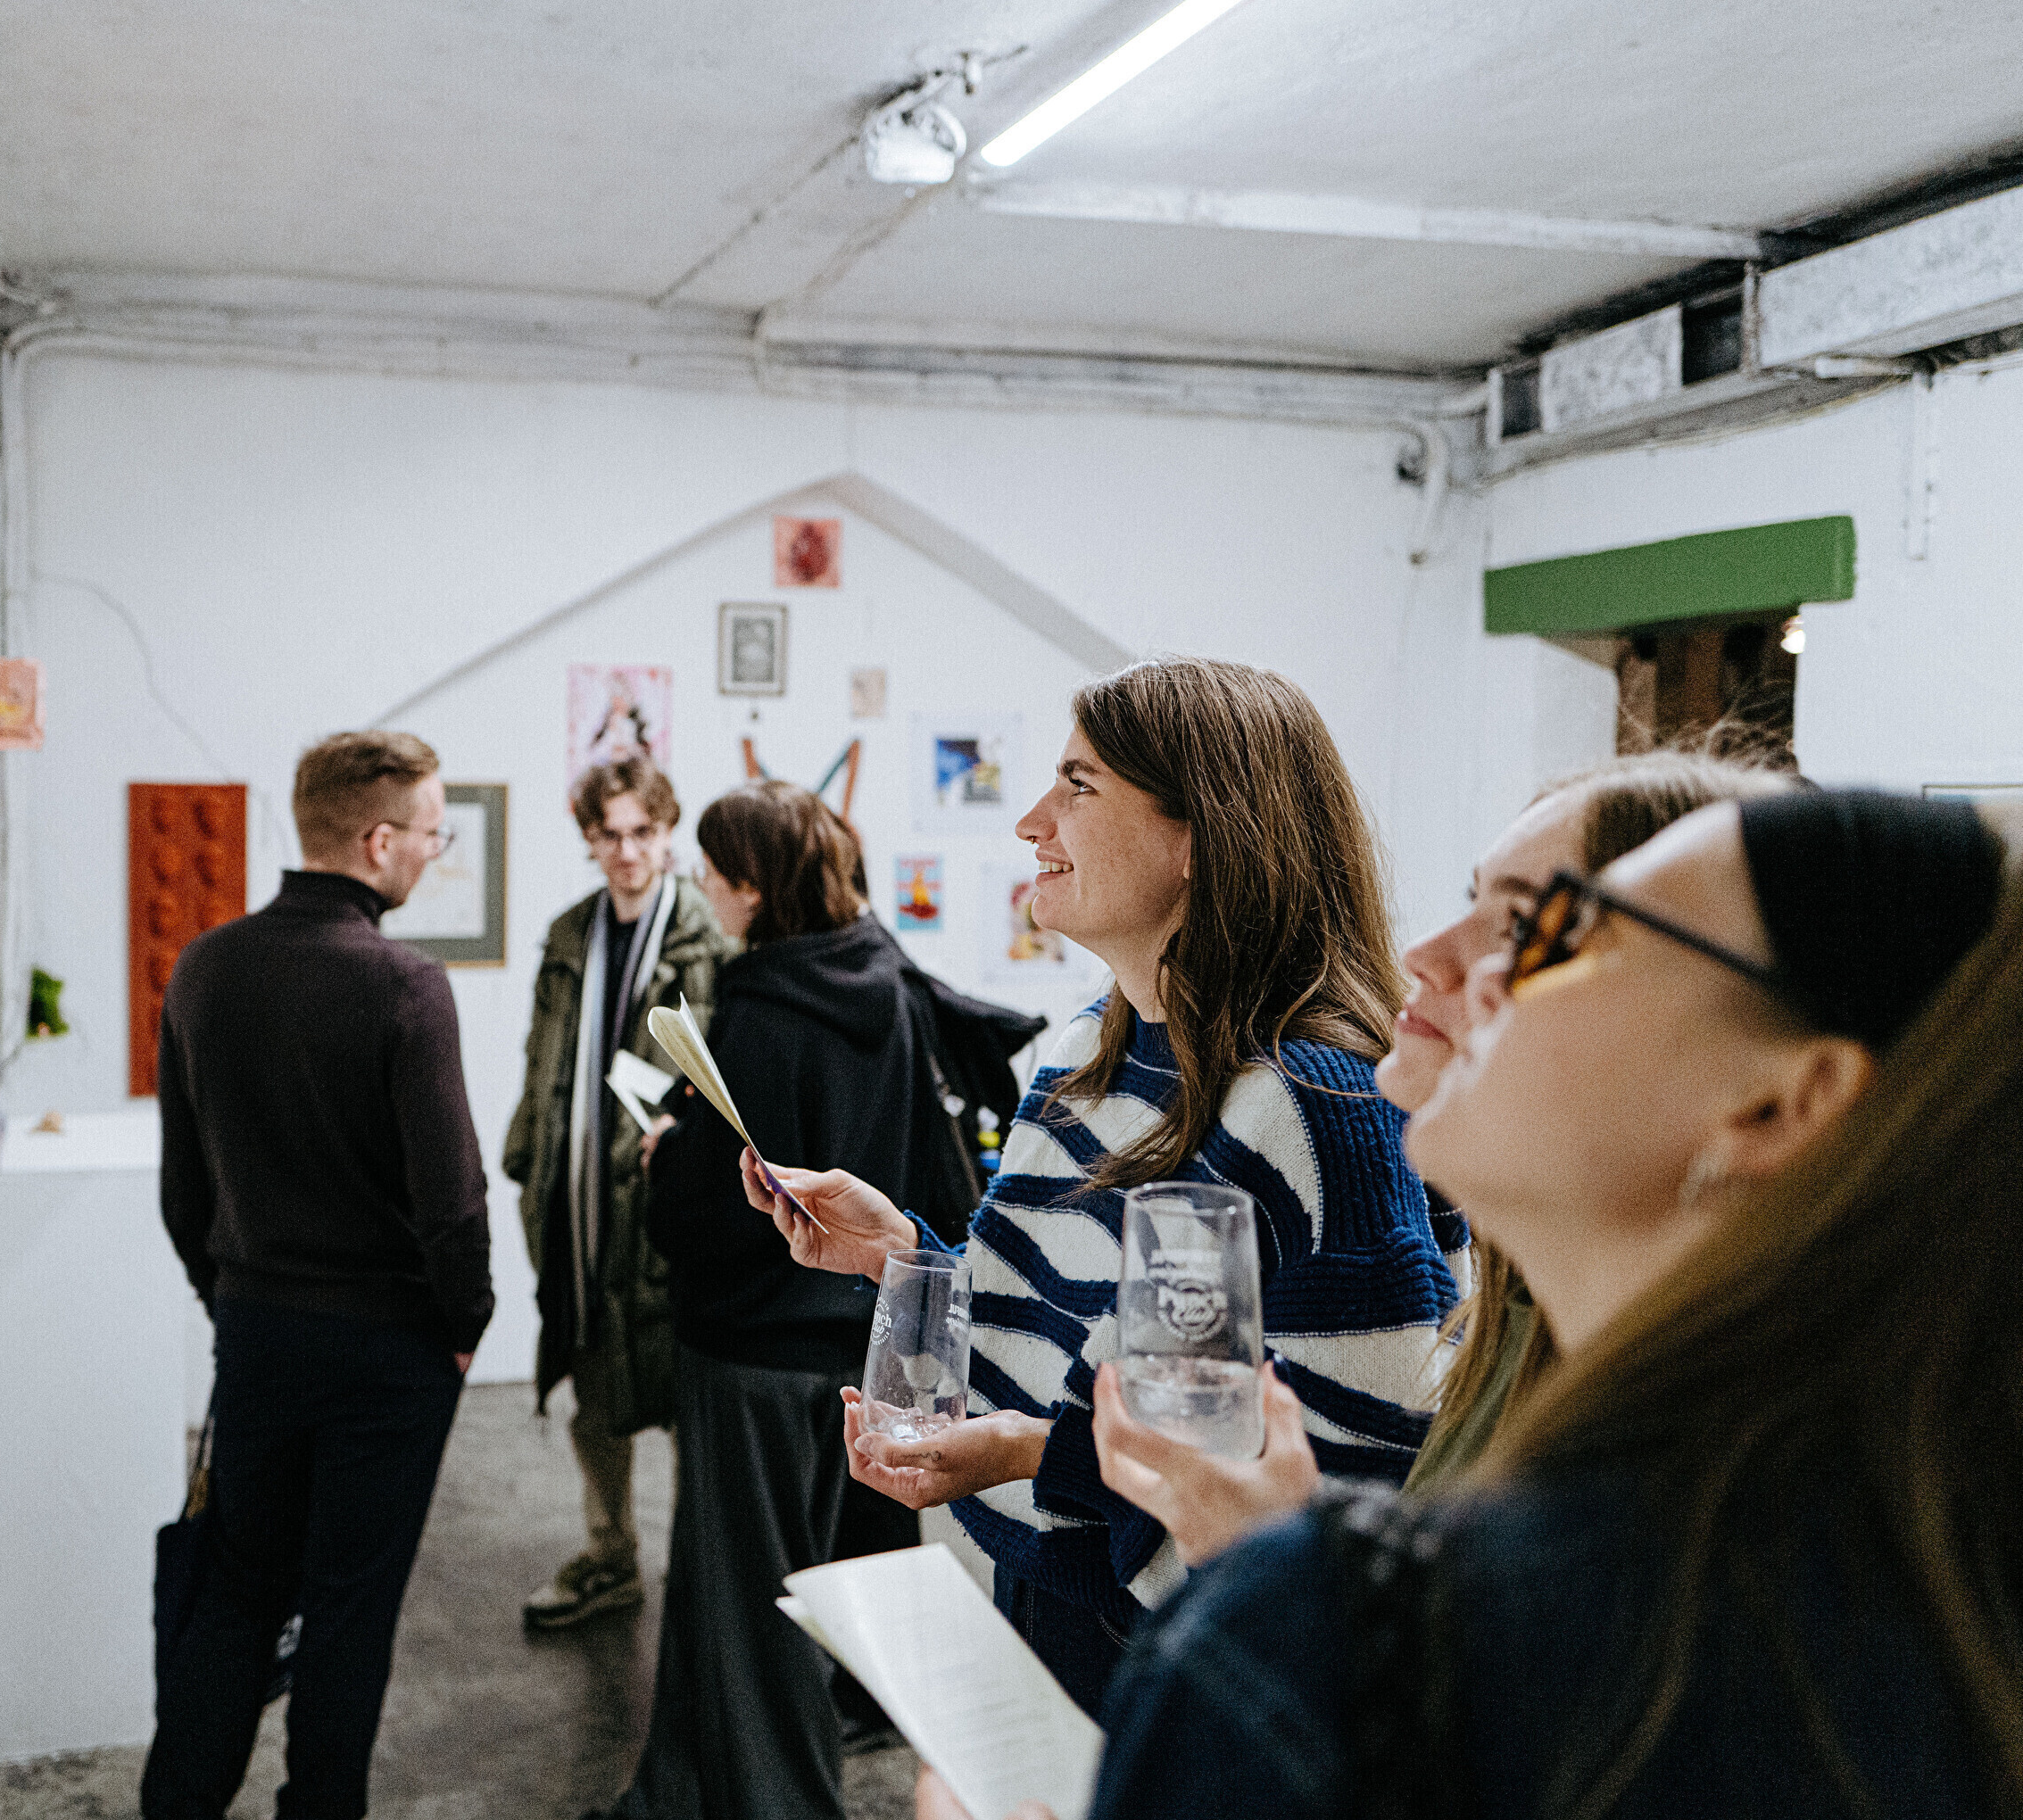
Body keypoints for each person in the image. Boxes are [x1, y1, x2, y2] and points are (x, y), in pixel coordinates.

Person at [1083, 789, 2018, 1818]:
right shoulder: (1928, 1605)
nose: (1474, 970)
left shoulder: (1334, 1641)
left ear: (1780, 1104)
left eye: (1563, 932)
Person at [747, 657, 1462, 1712]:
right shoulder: (1091, 1046)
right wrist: (903, 1251)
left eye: (1078, 786)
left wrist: (1030, 1450)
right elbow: (1091, 1324)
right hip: (1063, 1596)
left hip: (1203, 1649)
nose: (1032, 821)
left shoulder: (1318, 1100)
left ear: (1200, 835)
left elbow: (1362, 1460)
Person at [1089, 746, 1798, 1560]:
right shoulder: (1522, 1318)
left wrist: (1274, 1569)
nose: (1424, 954)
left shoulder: (1719, 1467)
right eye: (1474, 901)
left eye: (1529, 931)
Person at [143, 730, 494, 1820]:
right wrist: (466, 1321)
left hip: (256, 1331)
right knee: (350, 1607)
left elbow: (183, 1189)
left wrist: (232, 1300)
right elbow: (452, 1197)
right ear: (379, 840)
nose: (433, 851)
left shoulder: (205, 965)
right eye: (430, 832)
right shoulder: (404, 984)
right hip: (389, 1350)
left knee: (236, 1586)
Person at [604, 781, 941, 1820]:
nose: (701, 883)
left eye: (713, 868)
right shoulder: (888, 982)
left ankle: (781, 1804)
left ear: (751, 885)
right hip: (852, 1334)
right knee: (750, 1589)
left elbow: (715, 1211)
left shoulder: (759, 1006)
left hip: (749, 1348)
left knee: (755, 1608)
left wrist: (668, 1159)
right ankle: (675, 1793)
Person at [502, 757, 734, 1630]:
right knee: (590, 1381)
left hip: (665, 1198)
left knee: (679, 1385)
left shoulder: (707, 935)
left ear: (668, 832)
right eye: (609, 834)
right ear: (590, 840)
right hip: (576, 1197)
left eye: (643, 831)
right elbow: (541, 1059)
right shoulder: (571, 934)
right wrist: (527, 1156)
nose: (627, 850)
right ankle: (610, 1555)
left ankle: (706, 1571)